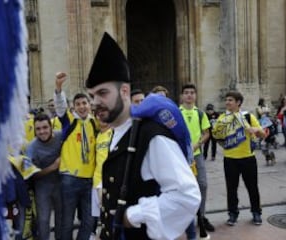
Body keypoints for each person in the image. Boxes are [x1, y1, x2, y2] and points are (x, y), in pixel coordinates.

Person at [86, 32, 200, 240]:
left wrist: (134, 214)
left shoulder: (151, 135)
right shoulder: (117, 132)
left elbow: (187, 195)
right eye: (92, 95)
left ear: (124, 91)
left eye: (102, 93)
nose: (94, 103)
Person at [54, 72, 97, 240]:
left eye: (84, 103)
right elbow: (59, 107)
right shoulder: (69, 122)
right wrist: (58, 88)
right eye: (78, 104)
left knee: (89, 221)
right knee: (67, 221)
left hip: (89, 180)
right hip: (70, 178)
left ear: (89, 104)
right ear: (74, 106)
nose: (82, 106)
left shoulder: (95, 123)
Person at [212, 90, 265, 226]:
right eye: (226, 100)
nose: (227, 102)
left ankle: (256, 212)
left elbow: (263, 134)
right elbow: (217, 136)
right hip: (230, 159)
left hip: (248, 158)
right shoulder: (222, 118)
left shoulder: (248, 116)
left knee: (252, 187)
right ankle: (232, 214)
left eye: (230, 100)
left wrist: (255, 131)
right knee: (231, 189)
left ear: (238, 103)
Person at [179, 83, 214, 238]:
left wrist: (197, 144)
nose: (189, 95)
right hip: (181, 156)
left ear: (196, 95)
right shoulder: (176, 113)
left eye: (192, 92)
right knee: (183, 187)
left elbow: (206, 132)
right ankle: (186, 218)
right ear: (182, 95)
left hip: (197, 155)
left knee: (202, 184)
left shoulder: (200, 113)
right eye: (186, 92)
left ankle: (201, 216)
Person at [26, 113, 62, 240]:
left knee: (61, 219)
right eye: (38, 129)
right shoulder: (32, 147)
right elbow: (32, 175)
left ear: (51, 127)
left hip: (61, 184)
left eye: (45, 127)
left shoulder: (60, 136)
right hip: (42, 186)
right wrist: (53, 167)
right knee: (43, 220)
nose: (42, 132)